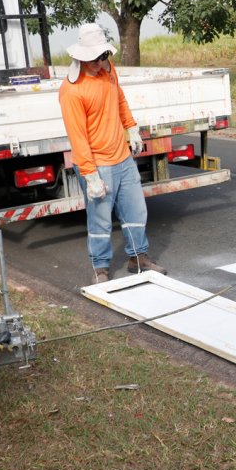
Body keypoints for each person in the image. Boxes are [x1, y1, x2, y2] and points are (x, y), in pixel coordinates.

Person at [59, 23, 167, 285]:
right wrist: (90, 174)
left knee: (136, 213)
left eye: (104, 56)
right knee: (100, 221)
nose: (100, 62)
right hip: (97, 165)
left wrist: (131, 127)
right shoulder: (72, 90)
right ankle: (100, 269)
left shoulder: (108, 71)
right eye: (95, 58)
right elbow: (78, 137)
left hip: (123, 159)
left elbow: (119, 99)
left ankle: (138, 257)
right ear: (81, 58)